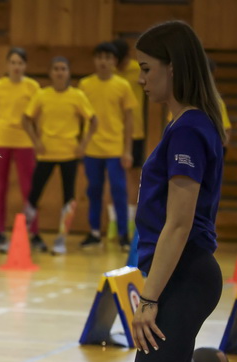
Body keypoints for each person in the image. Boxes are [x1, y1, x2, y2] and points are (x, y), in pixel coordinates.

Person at [130, 21, 226, 362]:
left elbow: (179, 224)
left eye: (146, 68)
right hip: (185, 273)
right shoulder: (189, 124)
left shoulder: (188, 129)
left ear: (173, 67)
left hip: (185, 274)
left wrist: (148, 299)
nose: (141, 79)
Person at [22, 56, 96, 254]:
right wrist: (36, 141)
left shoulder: (77, 96)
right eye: (56, 69)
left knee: (68, 198)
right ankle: (24, 237)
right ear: (50, 72)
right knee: (34, 194)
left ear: (68, 72)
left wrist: (83, 144)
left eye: (63, 69)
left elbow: (93, 120)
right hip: (46, 153)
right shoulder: (42, 94)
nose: (59, 72)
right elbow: (26, 119)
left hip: (69, 154)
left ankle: (61, 239)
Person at [78, 42, 137, 251]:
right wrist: (81, 143)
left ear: (114, 61)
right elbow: (79, 117)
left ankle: (123, 235)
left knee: (119, 192)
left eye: (108, 58)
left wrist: (127, 149)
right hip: (92, 149)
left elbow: (129, 119)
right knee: (93, 191)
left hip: (115, 149)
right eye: (100, 57)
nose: (103, 62)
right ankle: (94, 233)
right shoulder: (85, 85)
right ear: (95, 60)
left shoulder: (123, 85)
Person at [0, 48, 40, 252]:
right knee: (0, 188)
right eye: (13, 62)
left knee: (28, 189)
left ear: (25, 66)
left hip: (25, 142)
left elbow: (37, 117)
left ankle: (34, 233)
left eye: (20, 63)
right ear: (7, 65)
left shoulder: (33, 87)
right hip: (1, 140)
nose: (16, 66)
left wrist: (39, 140)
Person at [113, 38, 146, 239]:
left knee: (134, 178)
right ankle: (113, 224)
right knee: (114, 181)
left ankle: (132, 223)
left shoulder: (137, 69)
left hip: (136, 132)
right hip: (114, 133)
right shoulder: (111, 73)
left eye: (121, 60)